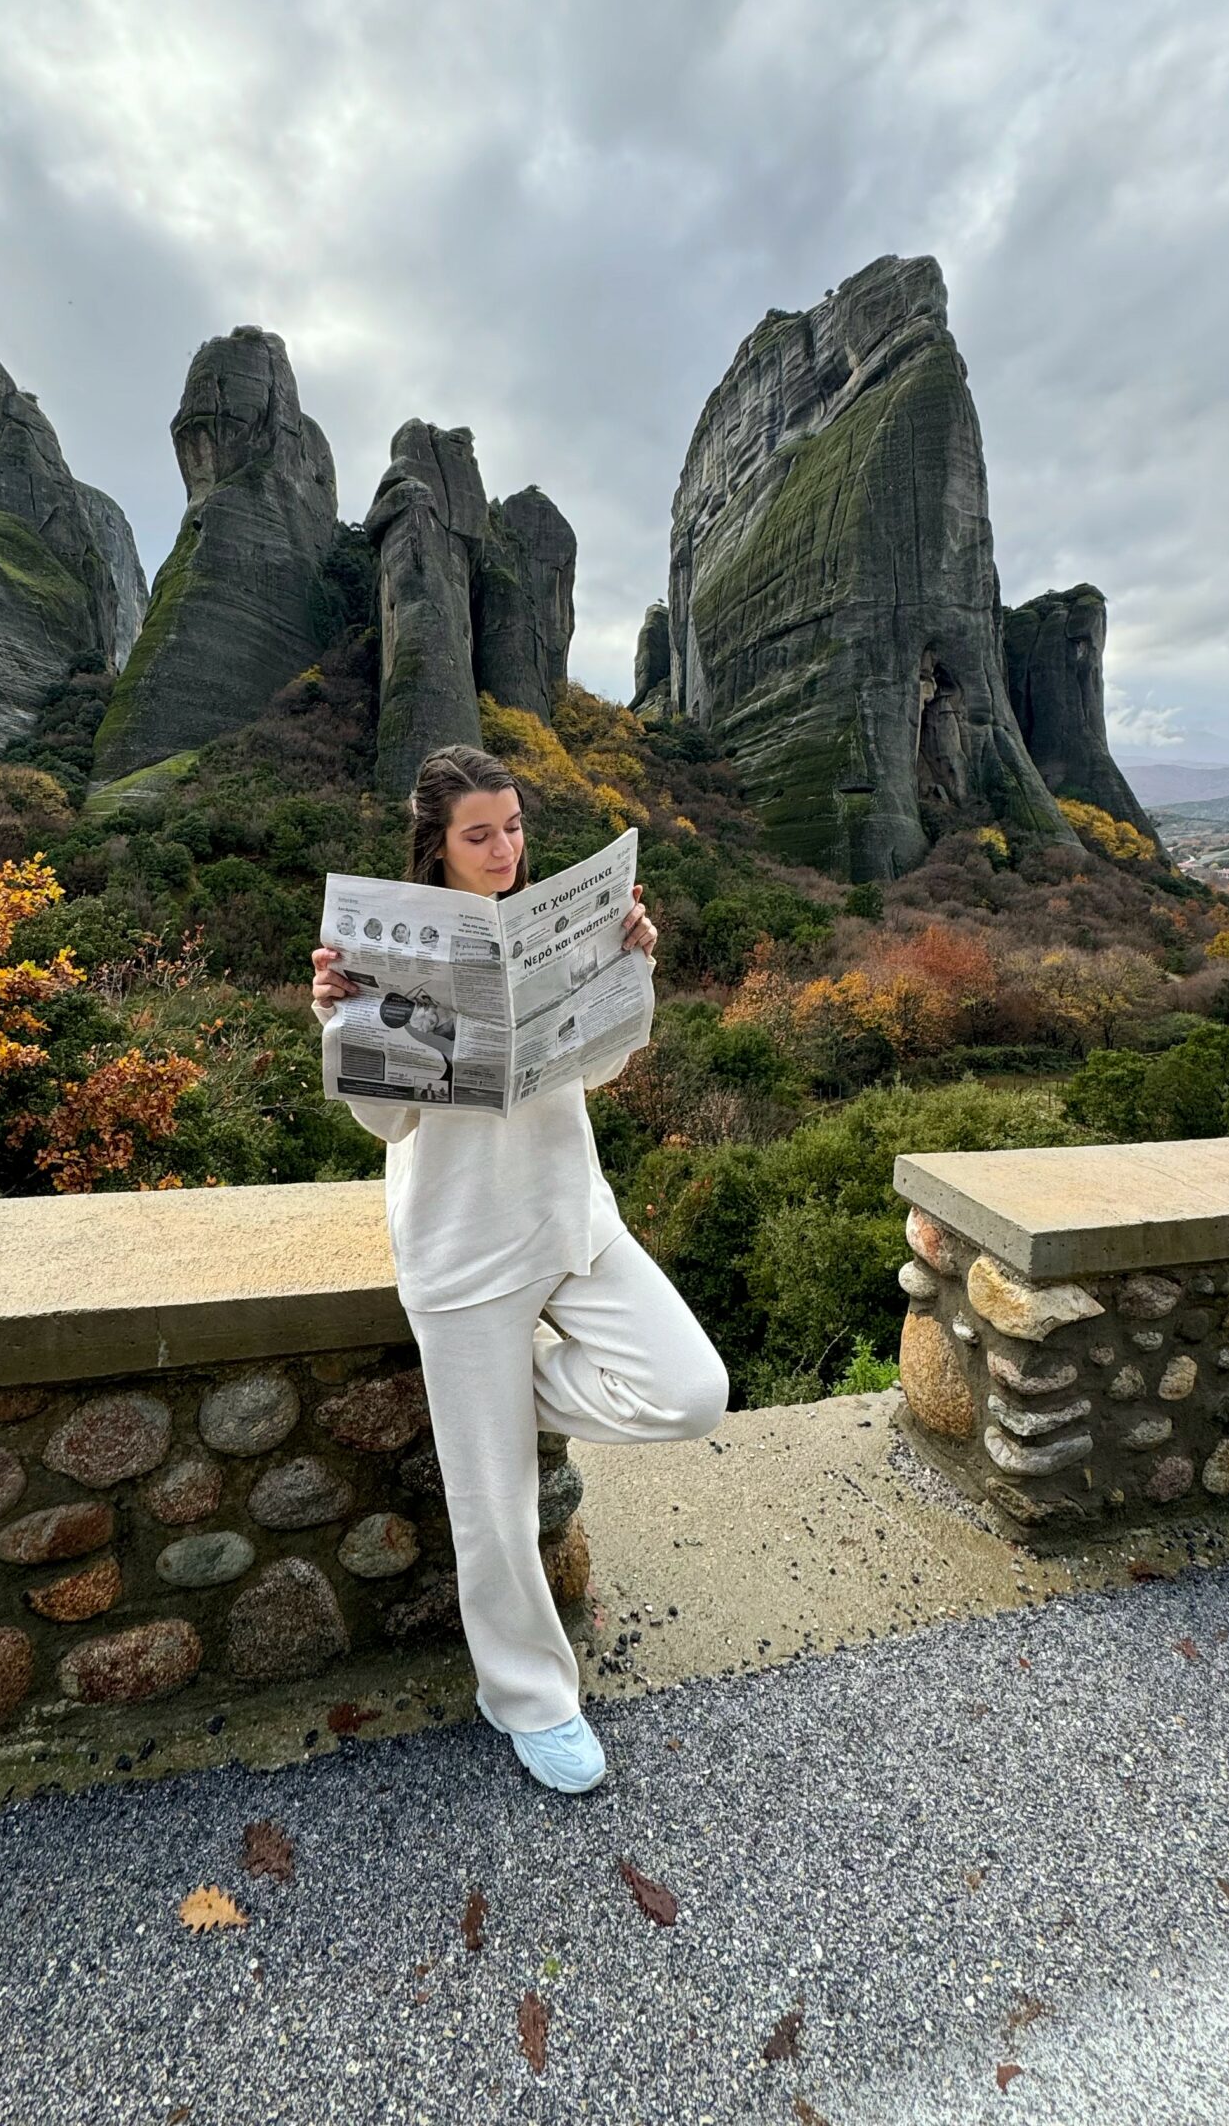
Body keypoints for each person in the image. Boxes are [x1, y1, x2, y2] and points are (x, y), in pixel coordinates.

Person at [311, 743, 729, 1795]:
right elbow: (387, 1123)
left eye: (513, 826)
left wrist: (629, 965)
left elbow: (601, 1064)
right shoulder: (387, 945)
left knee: (692, 1390)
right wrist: (342, 1017)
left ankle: (503, 1397)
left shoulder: (550, 921)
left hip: (570, 1217)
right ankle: (529, 1698)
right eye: (480, 834)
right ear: (438, 844)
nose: (504, 849)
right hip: (462, 1249)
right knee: (492, 1509)